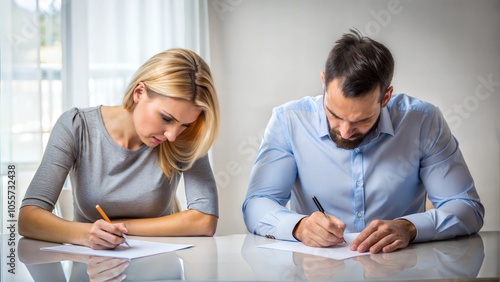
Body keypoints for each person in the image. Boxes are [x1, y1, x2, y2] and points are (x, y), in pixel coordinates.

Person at [242, 29, 485, 254]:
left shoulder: (423, 122)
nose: (346, 131)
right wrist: (299, 226)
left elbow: (466, 208)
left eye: (362, 119)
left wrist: (409, 227)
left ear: (386, 97)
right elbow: (256, 204)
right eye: (335, 115)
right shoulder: (288, 121)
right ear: (324, 82)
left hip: (402, 272)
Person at [19, 48, 220, 250]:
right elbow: (28, 218)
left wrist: (117, 227)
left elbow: (204, 220)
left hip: (161, 266)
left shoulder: (187, 137)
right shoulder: (76, 126)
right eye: (166, 118)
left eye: (184, 124)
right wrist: (85, 234)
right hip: (91, 270)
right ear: (139, 93)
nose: (172, 135)